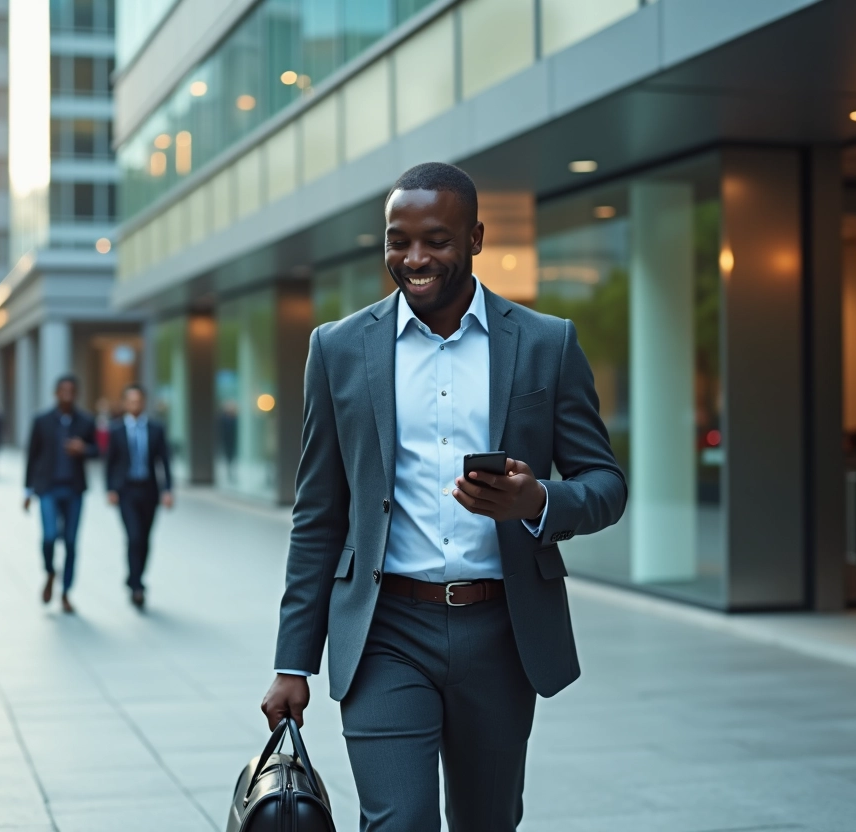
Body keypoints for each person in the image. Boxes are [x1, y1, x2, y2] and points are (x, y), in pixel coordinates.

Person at [260, 163, 627, 831]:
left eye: (436, 240)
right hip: (384, 629)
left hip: (502, 628)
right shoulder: (339, 349)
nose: (414, 258)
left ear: (477, 238)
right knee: (399, 822)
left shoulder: (547, 344)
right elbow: (318, 516)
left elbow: (606, 487)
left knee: (487, 822)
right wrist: (293, 661)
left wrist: (537, 501)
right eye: (398, 240)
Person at [24, 375, 98, 614]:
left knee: (71, 542)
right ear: (55, 393)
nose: (67, 394)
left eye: (72, 391)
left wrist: (84, 449)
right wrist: (27, 490)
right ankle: (49, 572)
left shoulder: (86, 421)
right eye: (63, 390)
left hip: (74, 489)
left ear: (77, 393)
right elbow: (32, 455)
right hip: (48, 488)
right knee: (49, 536)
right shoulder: (42, 420)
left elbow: (98, 450)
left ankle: (66, 591)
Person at [105, 384, 174, 610]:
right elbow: (110, 462)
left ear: (144, 403)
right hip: (126, 491)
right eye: (131, 401)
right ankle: (136, 585)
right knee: (133, 537)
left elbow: (165, 461)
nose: (135, 405)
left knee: (144, 539)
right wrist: (110, 489)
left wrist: (168, 490)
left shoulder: (156, 429)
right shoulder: (115, 429)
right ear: (125, 403)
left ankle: (136, 578)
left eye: (139, 401)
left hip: (149, 490)